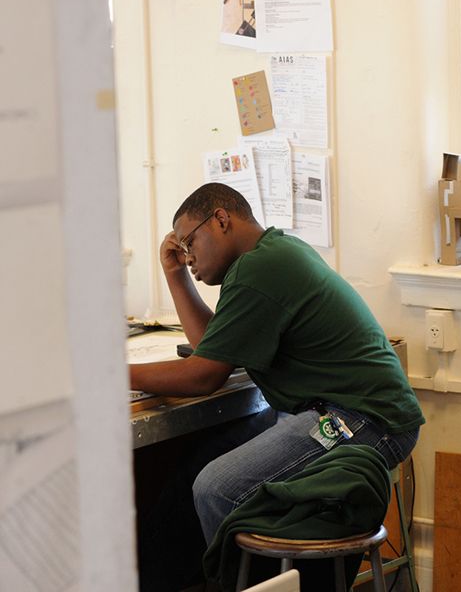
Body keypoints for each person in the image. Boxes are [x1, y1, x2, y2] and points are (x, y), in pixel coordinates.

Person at [130, 182, 424, 590]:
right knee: (197, 466)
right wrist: (176, 276)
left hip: (364, 419)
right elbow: (210, 349)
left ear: (221, 220)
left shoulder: (258, 269)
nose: (188, 254)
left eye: (189, 241)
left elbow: (204, 375)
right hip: (333, 409)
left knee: (216, 488)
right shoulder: (271, 254)